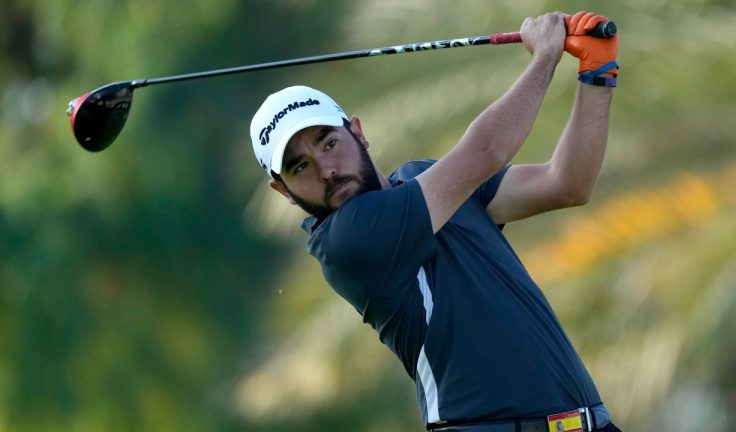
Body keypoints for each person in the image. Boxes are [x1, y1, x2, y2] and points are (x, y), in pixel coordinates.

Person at [250, 10, 621, 432]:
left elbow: (566, 184)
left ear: (358, 132)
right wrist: (545, 57)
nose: (327, 170)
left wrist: (597, 72)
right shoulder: (348, 240)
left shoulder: (424, 181)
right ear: (283, 191)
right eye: (300, 167)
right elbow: (487, 150)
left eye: (330, 143)